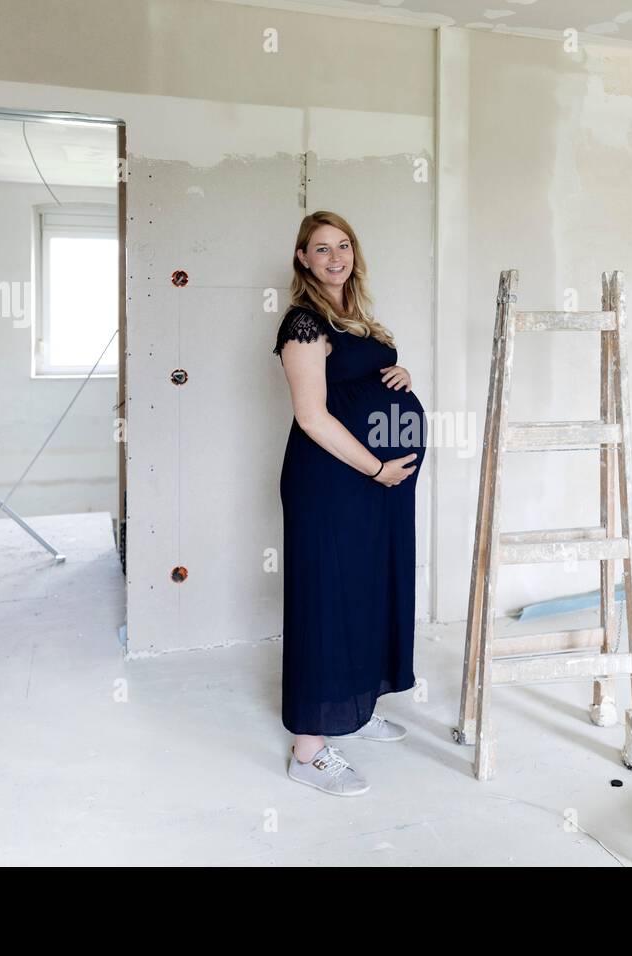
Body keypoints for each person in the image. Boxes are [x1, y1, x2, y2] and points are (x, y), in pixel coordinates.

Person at [272, 210, 426, 796]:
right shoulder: (304, 324)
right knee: (326, 598)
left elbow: (361, 382)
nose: (335, 256)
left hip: (377, 484)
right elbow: (312, 416)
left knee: (366, 589)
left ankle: (353, 708)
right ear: (303, 260)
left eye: (344, 245)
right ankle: (308, 751)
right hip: (334, 481)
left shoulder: (358, 320)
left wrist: (400, 373)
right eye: (321, 248)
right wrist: (377, 467)